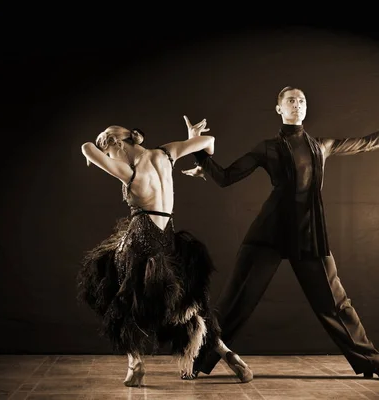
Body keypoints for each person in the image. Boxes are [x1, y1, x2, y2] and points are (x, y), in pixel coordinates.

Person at [182, 87, 379, 381]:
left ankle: (372, 362)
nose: (297, 104)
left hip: (309, 233)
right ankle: (195, 360)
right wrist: (196, 147)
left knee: (337, 304)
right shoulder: (267, 148)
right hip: (269, 233)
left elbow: (366, 143)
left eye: (301, 101)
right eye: (290, 101)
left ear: (306, 108)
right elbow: (224, 177)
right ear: (279, 109)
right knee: (236, 301)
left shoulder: (321, 145)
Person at [76, 117, 253, 387]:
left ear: (119, 146)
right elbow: (210, 143)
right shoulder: (166, 154)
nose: (112, 159)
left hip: (141, 241)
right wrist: (193, 139)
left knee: (120, 296)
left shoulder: (130, 172)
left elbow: (87, 148)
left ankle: (134, 363)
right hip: (168, 240)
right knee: (187, 305)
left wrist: (96, 149)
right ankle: (229, 354)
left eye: (111, 153)